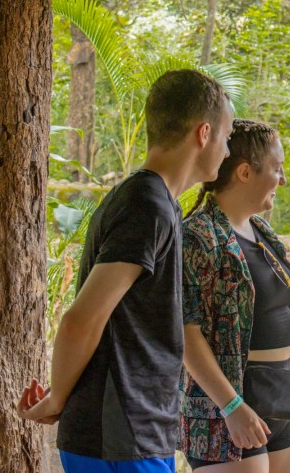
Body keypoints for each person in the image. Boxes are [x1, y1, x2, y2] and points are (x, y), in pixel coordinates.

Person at [15, 69, 234, 473]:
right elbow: (82, 318)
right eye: (226, 135)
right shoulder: (145, 204)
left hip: (134, 433)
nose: (226, 149)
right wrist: (58, 398)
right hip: (118, 438)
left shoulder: (156, 202)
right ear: (204, 134)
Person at [179, 119, 290, 472]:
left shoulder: (261, 230)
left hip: (280, 399)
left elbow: (270, 312)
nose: (283, 180)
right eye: (277, 169)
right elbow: (187, 334)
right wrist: (231, 407)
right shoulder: (198, 236)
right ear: (245, 172)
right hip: (228, 408)